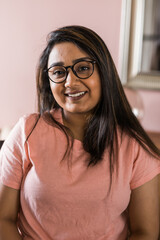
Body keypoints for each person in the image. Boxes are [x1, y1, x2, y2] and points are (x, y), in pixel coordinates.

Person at [0, 25, 160, 240]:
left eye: (83, 68)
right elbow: (3, 218)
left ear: (104, 72)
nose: (70, 82)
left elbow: (146, 232)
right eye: (58, 72)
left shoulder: (135, 146)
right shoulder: (27, 131)